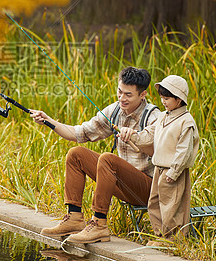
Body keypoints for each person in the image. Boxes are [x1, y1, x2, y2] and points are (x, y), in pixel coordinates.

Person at [30, 67, 160, 244]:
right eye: (120, 92)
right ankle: (74, 218)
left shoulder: (154, 116)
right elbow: (78, 133)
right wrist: (48, 120)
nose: (122, 98)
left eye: (128, 95)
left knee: (108, 159)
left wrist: (137, 138)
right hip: (121, 183)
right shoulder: (115, 111)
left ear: (143, 94)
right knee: (76, 154)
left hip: (147, 189)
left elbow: (162, 152)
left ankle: (99, 225)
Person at [120, 74, 199, 243]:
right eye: (162, 98)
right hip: (158, 168)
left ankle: (173, 240)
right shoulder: (163, 116)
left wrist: (175, 171)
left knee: (171, 206)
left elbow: (184, 151)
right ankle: (160, 236)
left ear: (179, 99)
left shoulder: (186, 122)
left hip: (172, 171)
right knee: (155, 203)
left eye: (167, 99)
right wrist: (133, 136)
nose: (163, 102)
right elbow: (149, 135)